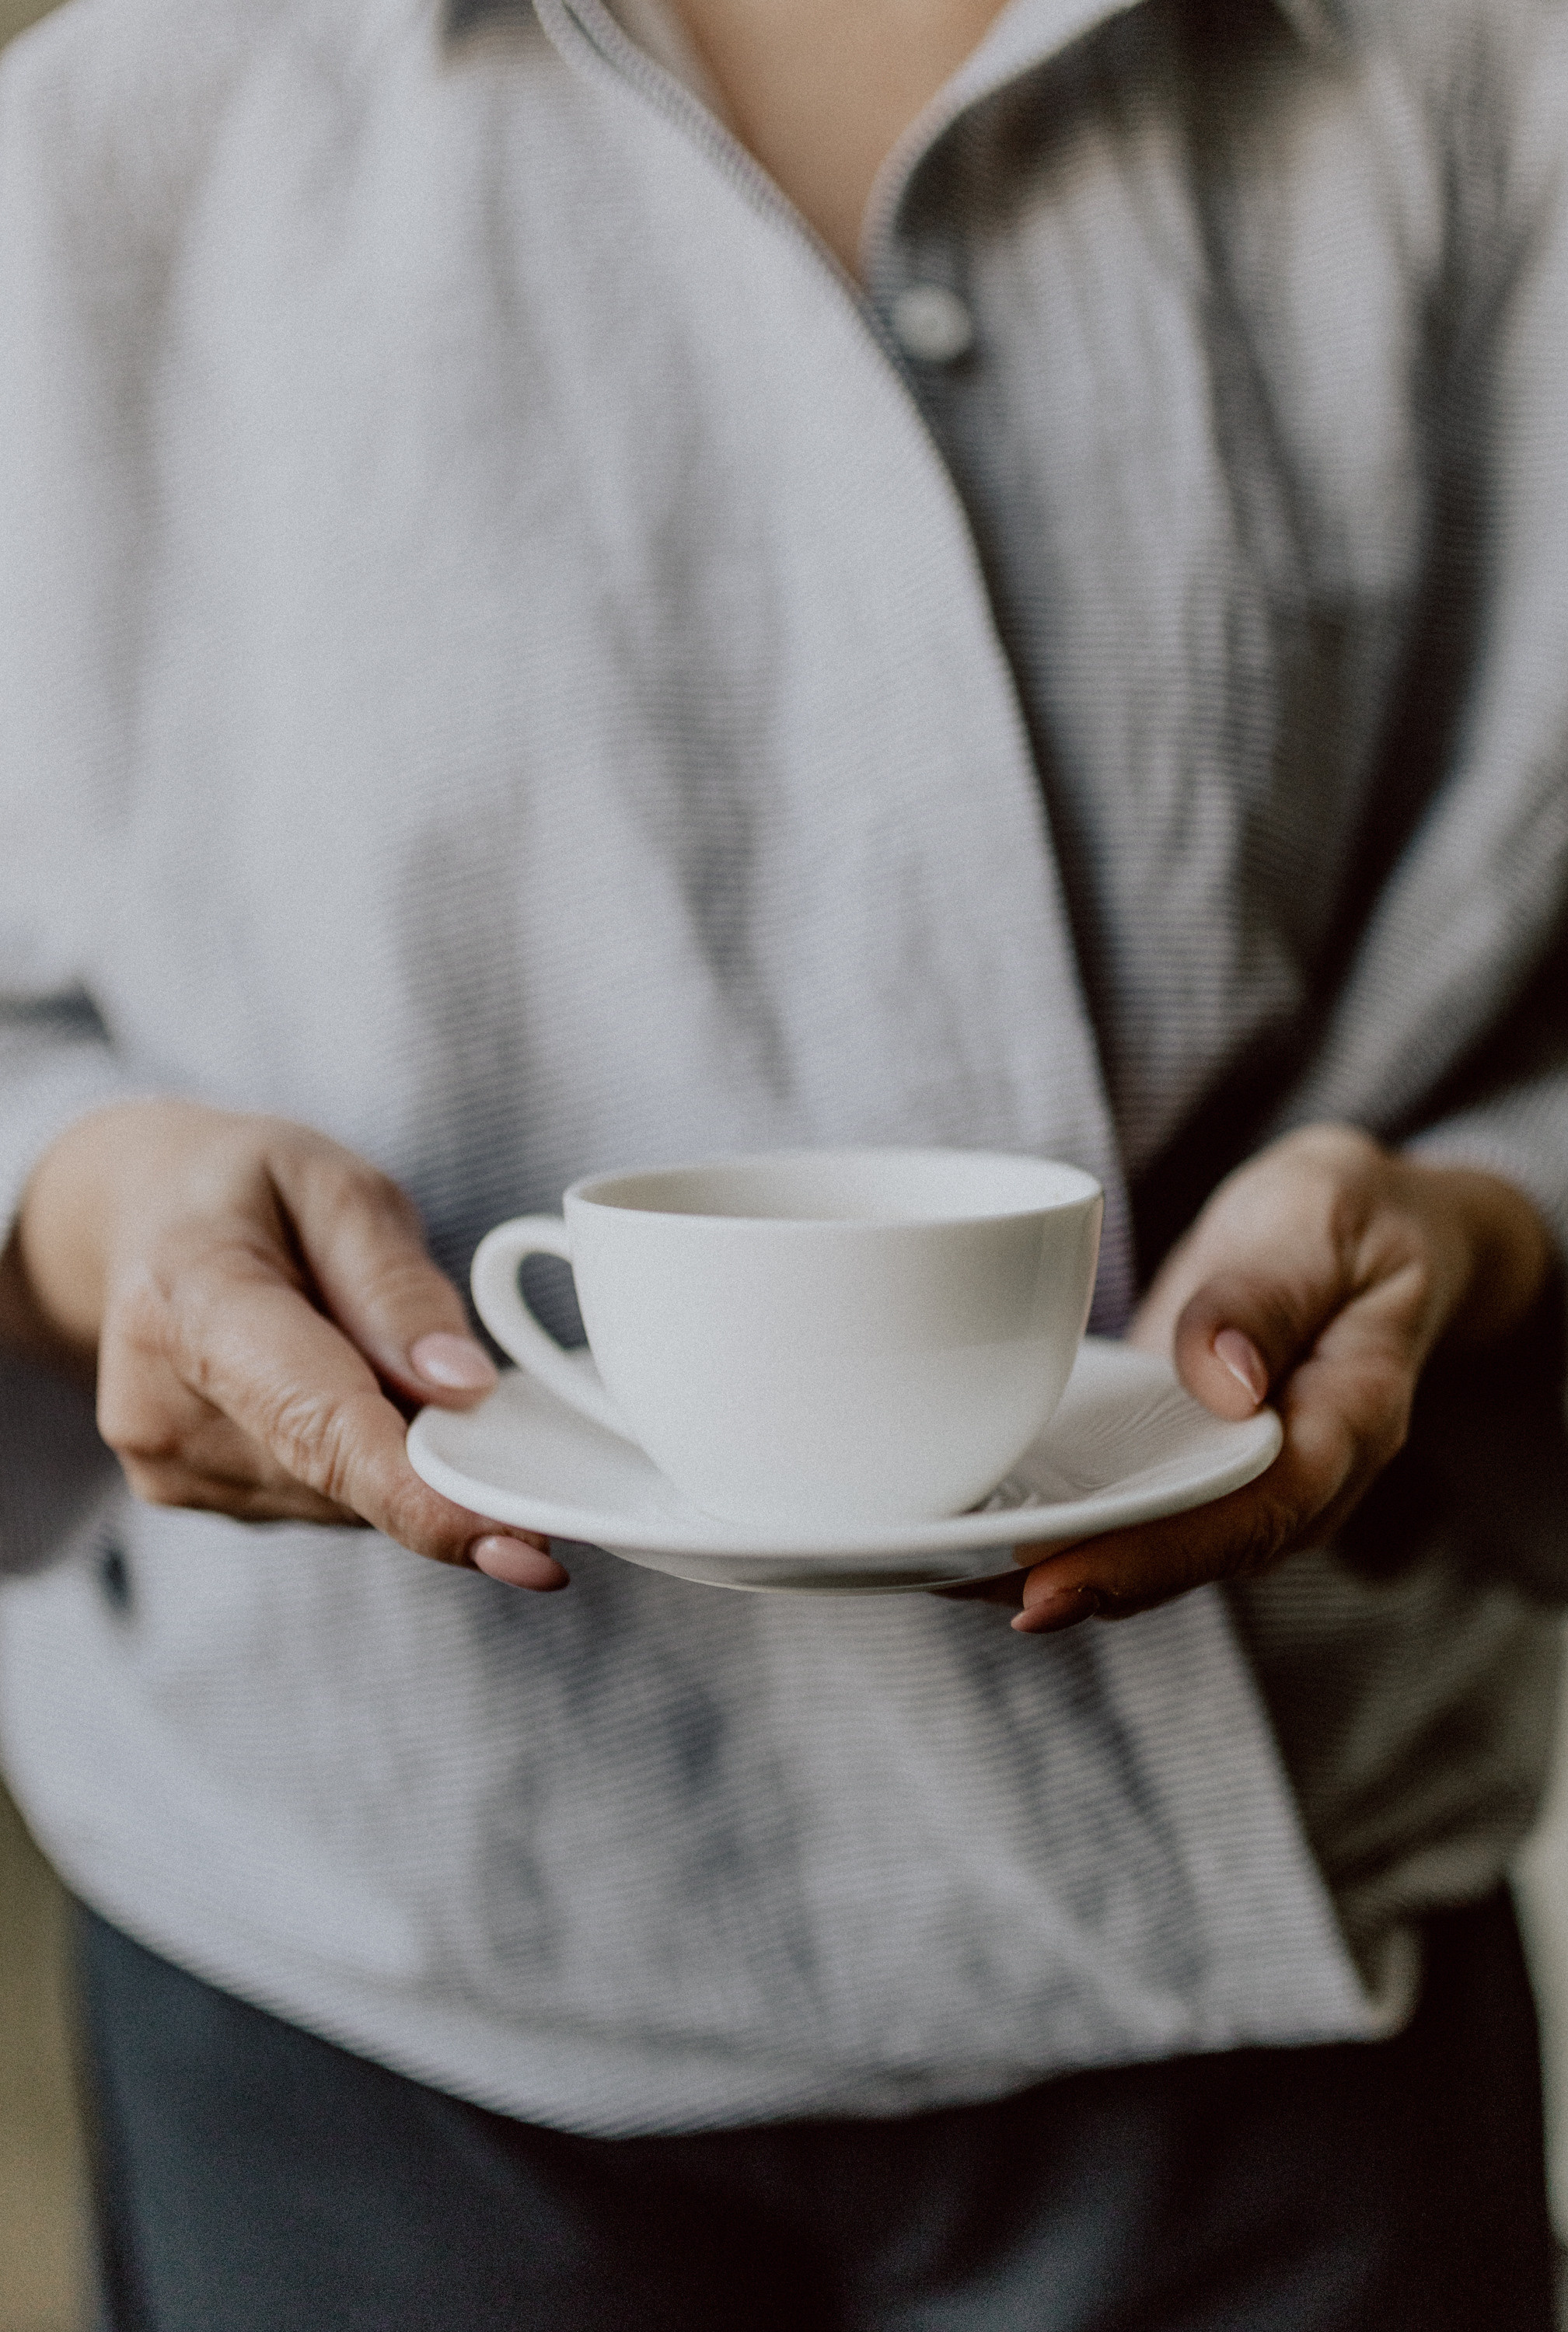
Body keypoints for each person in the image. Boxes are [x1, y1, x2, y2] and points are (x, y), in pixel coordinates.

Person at [1, 0, 1565, 2322]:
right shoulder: (112, 134)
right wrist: (98, 1206)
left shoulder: (1468, 92)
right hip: (364, 1989)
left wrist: (1479, 1229)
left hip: (1270, 2016)